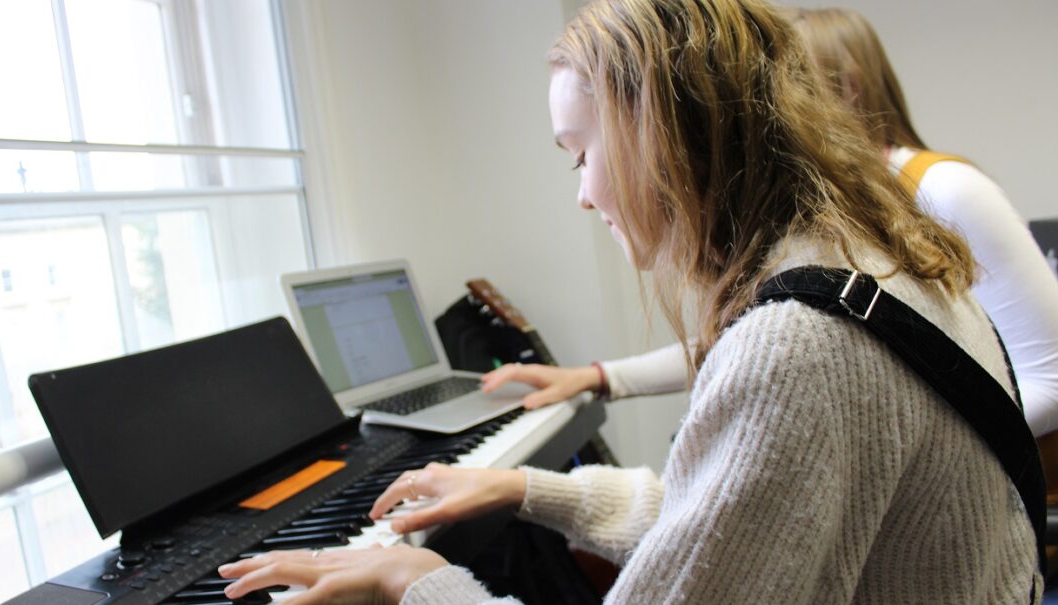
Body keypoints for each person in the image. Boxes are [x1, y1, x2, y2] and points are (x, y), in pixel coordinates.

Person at [217, 0, 1039, 602]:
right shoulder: (869, 255)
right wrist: (526, 490)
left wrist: (418, 580)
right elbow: (723, 528)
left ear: (662, 133)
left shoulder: (796, 346)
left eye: (579, 153)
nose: (582, 193)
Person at [487, 6, 1058, 439]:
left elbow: (1050, 382)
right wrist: (601, 376)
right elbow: (736, 341)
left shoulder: (941, 191)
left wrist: (922, 456)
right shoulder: (822, 255)